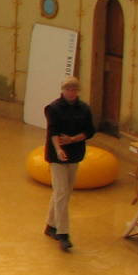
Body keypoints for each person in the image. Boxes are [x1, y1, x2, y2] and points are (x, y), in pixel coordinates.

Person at [43, 76, 96, 253]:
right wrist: (58, 149)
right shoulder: (53, 108)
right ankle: (63, 233)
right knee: (62, 192)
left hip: (75, 153)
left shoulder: (84, 109)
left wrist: (73, 139)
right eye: (68, 89)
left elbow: (89, 131)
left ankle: (50, 225)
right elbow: (53, 131)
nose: (71, 92)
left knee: (63, 193)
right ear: (63, 90)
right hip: (57, 156)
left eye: (74, 90)